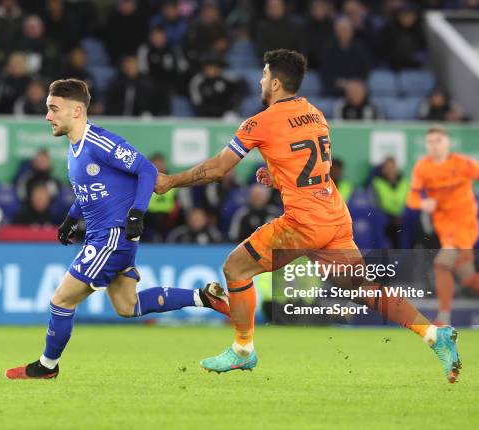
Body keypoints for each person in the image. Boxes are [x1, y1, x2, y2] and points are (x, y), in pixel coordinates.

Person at [155, 49, 461, 383]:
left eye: (263, 75)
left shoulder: (260, 121)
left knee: (235, 268)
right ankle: (433, 334)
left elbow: (216, 170)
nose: (260, 81)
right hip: (333, 214)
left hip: (304, 222)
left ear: (274, 82)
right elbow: (313, 167)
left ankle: (243, 350)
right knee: (362, 287)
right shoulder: (315, 114)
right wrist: (277, 177)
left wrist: (170, 181)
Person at [6, 79, 230, 380]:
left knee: (61, 300)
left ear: (76, 111)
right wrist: (71, 219)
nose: (47, 116)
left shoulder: (99, 141)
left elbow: (147, 170)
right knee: (128, 307)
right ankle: (203, 297)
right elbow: (93, 193)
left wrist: (137, 213)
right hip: (108, 236)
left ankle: (47, 366)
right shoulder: (74, 150)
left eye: (53, 109)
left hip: (111, 237)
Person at [407, 125, 479, 325]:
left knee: (441, 265)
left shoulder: (463, 163)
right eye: (430, 141)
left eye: (438, 140)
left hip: (465, 224)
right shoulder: (422, 167)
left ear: (448, 142)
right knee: (467, 277)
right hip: (444, 227)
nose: (434, 145)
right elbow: (412, 197)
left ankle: (444, 319)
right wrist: (422, 203)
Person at [371, 157, 409, 248]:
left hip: (402, 218)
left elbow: (410, 203)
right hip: (385, 218)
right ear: (383, 170)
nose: (390, 170)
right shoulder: (377, 183)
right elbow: (374, 205)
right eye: (387, 167)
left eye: (392, 167)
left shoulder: (405, 183)